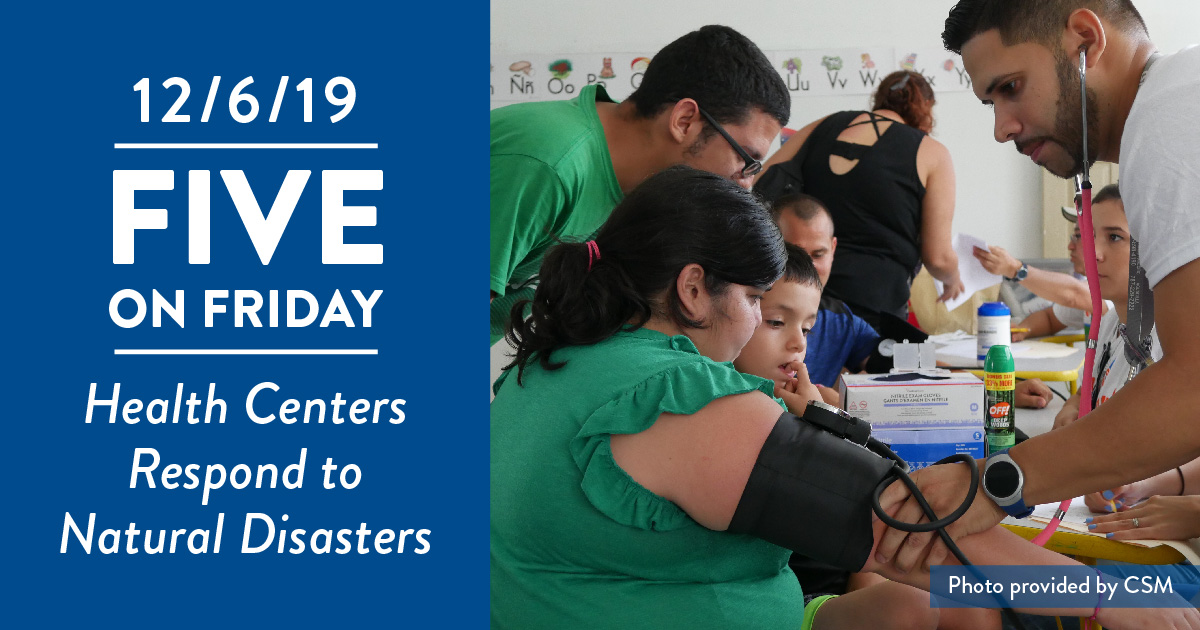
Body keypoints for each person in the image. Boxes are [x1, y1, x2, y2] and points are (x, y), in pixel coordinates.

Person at [491, 166, 1187, 630]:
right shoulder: (674, 396)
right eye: (760, 300)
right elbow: (911, 526)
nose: (770, 325)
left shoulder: (556, 365)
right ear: (694, 290)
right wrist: (1116, 600)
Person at [876, 0, 1200, 579]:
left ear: (1084, 39)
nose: (1001, 128)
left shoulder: (1169, 117)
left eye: (1010, 87)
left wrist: (995, 483)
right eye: (990, 102)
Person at [733, 243, 1000, 630]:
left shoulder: (813, 403)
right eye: (776, 322)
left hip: (845, 566)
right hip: (793, 591)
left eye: (807, 328)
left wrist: (822, 418)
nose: (798, 343)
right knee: (909, 607)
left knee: (975, 605)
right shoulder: (732, 411)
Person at [489, 24, 790, 344]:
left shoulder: (639, 193)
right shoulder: (548, 164)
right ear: (685, 121)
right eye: (747, 159)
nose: (746, 185)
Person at [757, 70, 964, 329]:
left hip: (805, 298)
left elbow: (759, 182)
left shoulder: (823, 126)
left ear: (878, 99)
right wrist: (953, 278)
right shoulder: (932, 153)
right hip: (876, 308)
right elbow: (938, 258)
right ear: (926, 111)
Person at [772, 194, 878, 397]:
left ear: (833, 249)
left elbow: (890, 360)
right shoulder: (745, 311)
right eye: (775, 322)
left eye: (818, 254)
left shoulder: (841, 320)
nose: (809, 267)